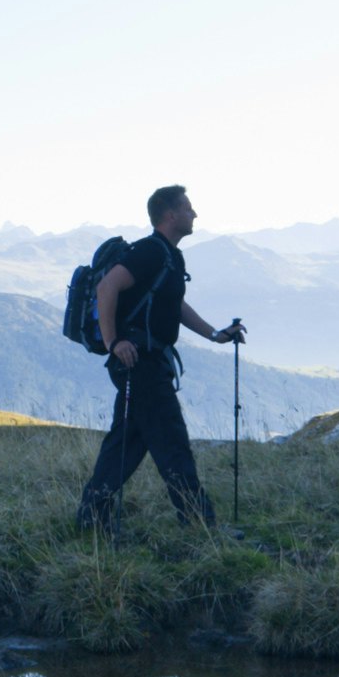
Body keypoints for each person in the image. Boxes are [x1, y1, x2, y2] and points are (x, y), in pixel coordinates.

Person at [78, 184, 245, 532]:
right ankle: (199, 524)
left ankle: (91, 518)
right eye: (188, 208)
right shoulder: (149, 252)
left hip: (146, 361)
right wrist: (113, 343)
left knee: (126, 443)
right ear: (170, 215)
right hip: (140, 362)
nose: (194, 214)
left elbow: (174, 305)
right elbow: (106, 287)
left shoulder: (169, 256)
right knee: (171, 442)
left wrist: (216, 335)